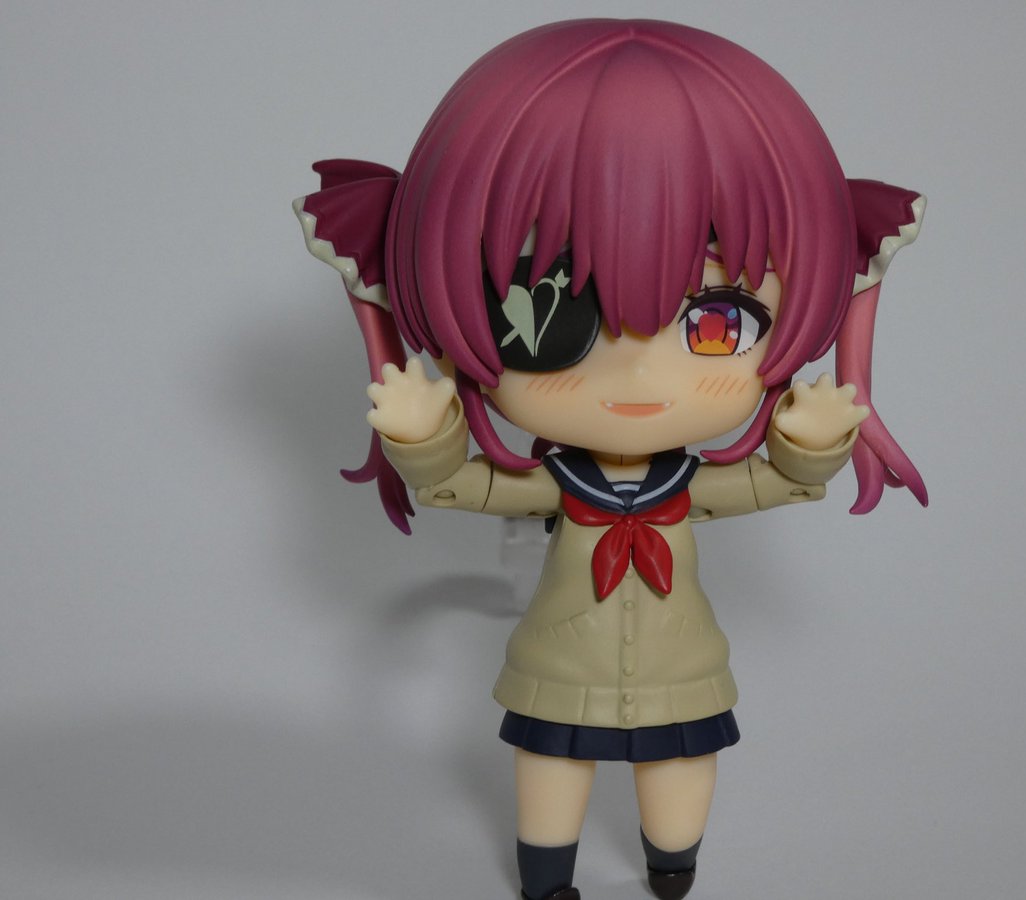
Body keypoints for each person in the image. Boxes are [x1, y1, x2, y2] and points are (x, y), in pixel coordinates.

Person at [295, 19, 926, 900]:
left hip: (682, 670)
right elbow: (455, 485)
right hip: (558, 671)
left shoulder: (686, 487)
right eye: (552, 317)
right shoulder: (555, 485)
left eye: (717, 322)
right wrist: (420, 436)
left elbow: (776, 482)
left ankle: (674, 865)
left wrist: (810, 445)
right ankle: (547, 877)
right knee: (551, 769)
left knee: (682, 768)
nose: (635, 372)